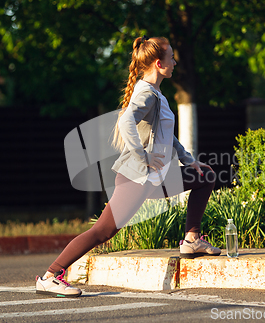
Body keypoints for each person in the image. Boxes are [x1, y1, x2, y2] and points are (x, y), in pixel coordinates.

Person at [36, 36, 220, 298]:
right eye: (171, 59)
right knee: (102, 232)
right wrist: (143, 156)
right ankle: (50, 276)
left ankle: (192, 239)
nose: (175, 62)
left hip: (155, 178)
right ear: (159, 63)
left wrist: (188, 160)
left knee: (205, 175)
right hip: (137, 178)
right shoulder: (145, 92)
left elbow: (169, 136)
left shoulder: (157, 94)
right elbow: (126, 124)